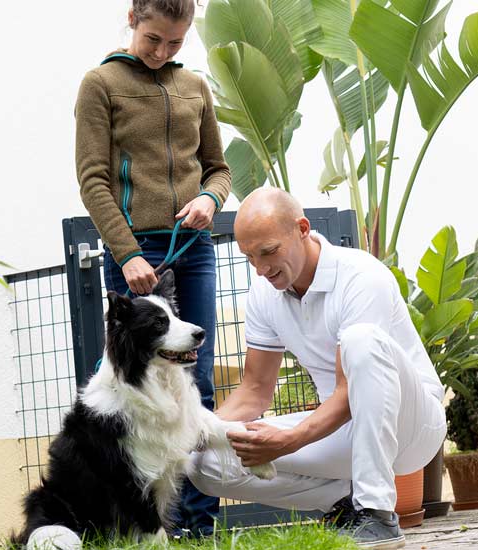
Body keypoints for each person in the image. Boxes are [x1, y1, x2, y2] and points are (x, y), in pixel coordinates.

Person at [187, 188, 447, 549]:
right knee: (204, 462)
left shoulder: (360, 275)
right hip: (342, 429)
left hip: (412, 427)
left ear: (303, 229)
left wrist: (288, 441)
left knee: (362, 340)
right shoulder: (264, 293)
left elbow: (346, 393)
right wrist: (194, 434)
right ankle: (343, 503)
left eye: (268, 252)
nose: (261, 269)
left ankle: (377, 514)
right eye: (249, 257)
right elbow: (255, 390)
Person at [74, 0, 230, 538]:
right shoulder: (100, 84)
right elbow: (93, 179)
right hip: (134, 250)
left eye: (176, 43)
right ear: (132, 20)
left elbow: (218, 169)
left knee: (198, 378)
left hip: (193, 247)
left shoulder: (195, 87)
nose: (163, 53)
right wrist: (127, 253)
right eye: (153, 41)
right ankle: (125, 522)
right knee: (128, 388)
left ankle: (196, 526)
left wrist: (210, 199)